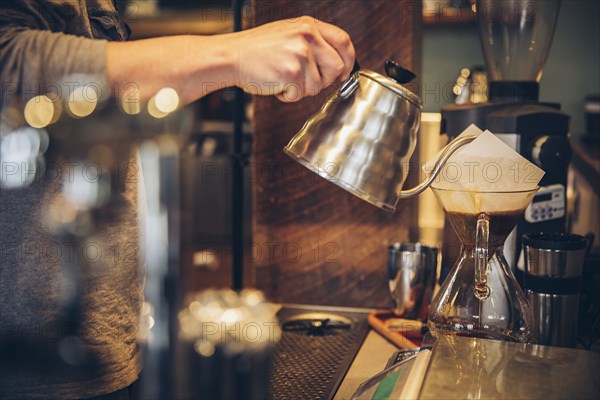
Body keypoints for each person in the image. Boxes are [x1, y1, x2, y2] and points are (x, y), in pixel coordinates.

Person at [0, 0, 355, 398]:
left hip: (110, 349)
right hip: (29, 372)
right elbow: (12, 65)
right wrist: (233, 54)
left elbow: (109, 92)